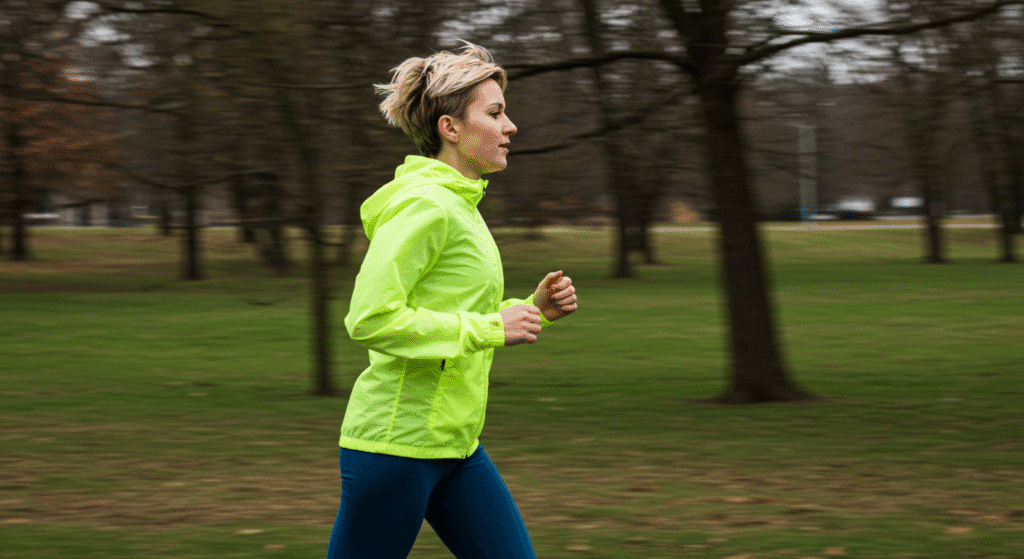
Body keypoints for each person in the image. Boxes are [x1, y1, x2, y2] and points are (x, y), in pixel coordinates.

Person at [325, 42, 578, 559]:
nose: (510, 127)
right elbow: (370, 318)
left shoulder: (462, 206)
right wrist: (491, 328)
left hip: (456, 446)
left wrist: (532, 312)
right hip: (397, 448)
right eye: (495, 113)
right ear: (451, 128)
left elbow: (454, 310)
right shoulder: (427, 205)